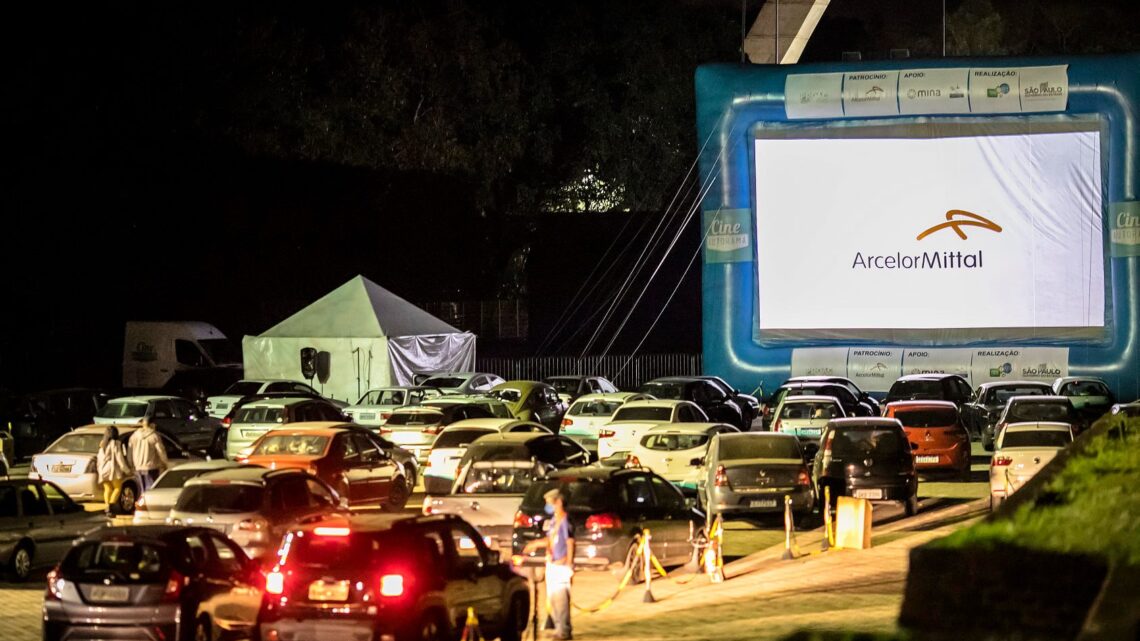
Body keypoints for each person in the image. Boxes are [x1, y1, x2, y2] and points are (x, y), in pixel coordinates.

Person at [522, 488, 575, 640]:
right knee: (553, 598)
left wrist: (569, 563)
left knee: (561, 600)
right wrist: (536, 544)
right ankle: (560, 629)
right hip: (552, 564)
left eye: (549, 503)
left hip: (561, 565)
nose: (548, 507)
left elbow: (570, 542)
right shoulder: (554, 520)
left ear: (558, 502)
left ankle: (564, 631)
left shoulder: (566, 520)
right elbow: (550, 540)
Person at [96, 426, 133, 515]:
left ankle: (107, 507)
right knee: (117, 488)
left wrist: (99, 470)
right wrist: (127, 470)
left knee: (107, 489)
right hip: (112, 470)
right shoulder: (115, 443)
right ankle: (111, 507)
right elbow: (119, 458)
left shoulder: (102, 444)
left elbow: (99, 458)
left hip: (103, 470)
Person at [128, 421, 168, 492]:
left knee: (141, 489)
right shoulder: (155, 436)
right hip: (151, 467)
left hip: (138, 467)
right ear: (152, 424)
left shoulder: (134, 436)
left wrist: (130, 464)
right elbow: (161, 451)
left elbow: (129, 452)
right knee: (151, 489)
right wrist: (165, 462)